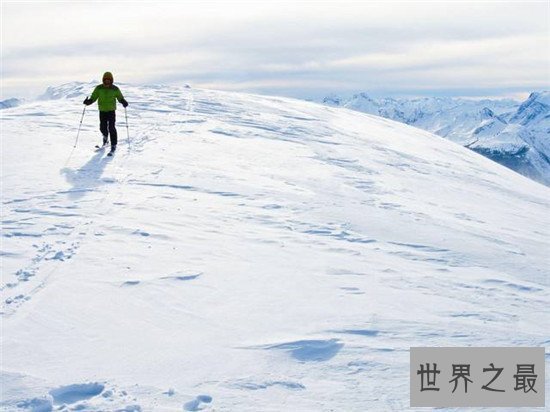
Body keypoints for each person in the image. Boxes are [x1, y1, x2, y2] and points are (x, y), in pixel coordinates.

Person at [83, 72, 128, 153]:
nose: (107, 81)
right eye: (106, 80)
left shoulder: (115, 89)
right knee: (102, 127)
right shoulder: (99, 88)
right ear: (103, 80)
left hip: (111, 111)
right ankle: (105, 137)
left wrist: (123, 101)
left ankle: (113, 144)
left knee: (111, 128)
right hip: (102, 111)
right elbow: (94, 97)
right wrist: (88, 102)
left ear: (111, 80)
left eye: (109, 80)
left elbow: (120, 97)